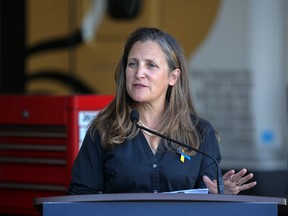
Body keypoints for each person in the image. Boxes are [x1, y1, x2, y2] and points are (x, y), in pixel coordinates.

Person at [68, 27, 256, 195]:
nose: (139, 73)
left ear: (173, 77)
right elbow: (79, 195)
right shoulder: (103, 129)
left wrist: (217, 193)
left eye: (151, 65)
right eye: (133, 63)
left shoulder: (201, 133)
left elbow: (206, 199)